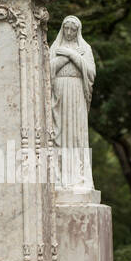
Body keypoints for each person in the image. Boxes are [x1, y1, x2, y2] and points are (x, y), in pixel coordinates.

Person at [49, 16, 95, 190]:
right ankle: (58, 177)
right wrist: (65, 58)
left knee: (76, 135)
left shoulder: (85, 48)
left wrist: (71, 55)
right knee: (58, 133)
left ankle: (78, 178)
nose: (68, 32)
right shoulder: (55, 47)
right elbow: (46, 69)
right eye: (66, 28)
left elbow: (91, 73)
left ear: (78, 31)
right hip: (59, 93)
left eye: (72, 29)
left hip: (76, 93)